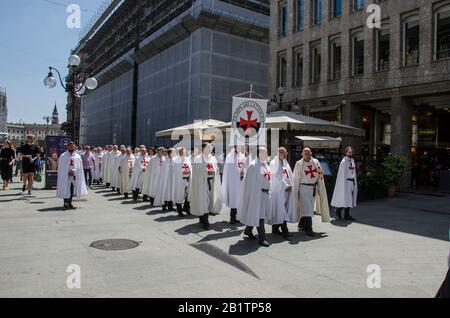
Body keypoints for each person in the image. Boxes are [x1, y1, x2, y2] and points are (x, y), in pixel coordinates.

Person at [238, 147, 271, 247]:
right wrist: (253, 197)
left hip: (265, 194)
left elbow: (266, 178)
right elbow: (249, 184)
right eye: (266, 153)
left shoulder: (264, 164)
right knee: (260, 216)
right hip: (257, 195)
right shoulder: (253, 166)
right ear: (260, 153)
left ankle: (248, 230)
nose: (267, 155)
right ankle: (262, 238)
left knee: (257, 215)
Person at [293, 148, 330, 237]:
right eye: (305, 154)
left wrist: (319, 186)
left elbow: (320, 174)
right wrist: (296, 190)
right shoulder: (299, 164)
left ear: (311, 153)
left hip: (313, 188)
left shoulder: (316, 162)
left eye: (308, 153)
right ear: (302, 154)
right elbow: (296, 178)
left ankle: (302, 224)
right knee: (307, 209)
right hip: (304, 188)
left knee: (308, 208)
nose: (307, 155)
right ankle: (309, 228)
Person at [189, 143, 222, 230]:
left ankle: (202, 217)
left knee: (209, 201)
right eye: (208, 148)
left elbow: (215, 168)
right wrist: (205, 172)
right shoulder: (198, 159)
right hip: (202, 183)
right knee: (203, 200)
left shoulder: (213, 158)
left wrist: (216, 171)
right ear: (203, 148)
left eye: (211, 148)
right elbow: (197, 172)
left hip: (211, 182)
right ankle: (205, 221)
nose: (210, 150)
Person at [268, 147, 295, 240]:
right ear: (278, 153)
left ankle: (275, 229)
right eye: (282, 152)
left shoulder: (285, 163)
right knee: (281, 209)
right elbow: (276, 178)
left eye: (285, 152)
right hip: (278, 191)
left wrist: (291, 185)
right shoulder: (273, 163)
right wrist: (285, 186)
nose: (284, 154)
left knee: (281, 209)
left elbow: (289, 175)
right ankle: (285, 231)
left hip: (286, 191)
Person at [56, 142, 87, 210]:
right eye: (71, 146)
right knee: (66, 188)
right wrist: (67, 172)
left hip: (74, 175)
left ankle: (70, 202)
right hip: (66, 176)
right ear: (68, 147)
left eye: (73, 146)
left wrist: (74, 171)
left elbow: (79, 167)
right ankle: (65, 203)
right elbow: (61, 167)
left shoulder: (77, 156)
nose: (72, 147)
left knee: (72, 189)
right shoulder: (63, 156)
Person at [331, 146, 358, 221]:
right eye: (349, 152)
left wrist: (354, 182)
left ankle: (346, 215)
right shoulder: (344, 162)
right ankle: (338, 210)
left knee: (349, 199)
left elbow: (353, 172)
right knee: (346, 198)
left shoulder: (352, 160)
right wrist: (343, 185)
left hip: (351, 182)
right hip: (345, 183)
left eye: (351, 152)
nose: (350, 153)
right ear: (346, 152)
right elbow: (342, 175)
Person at [221, 146, 246, 224]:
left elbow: (245, 166)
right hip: (233, 182)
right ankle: (232, 217)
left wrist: (243, 172)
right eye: (237, 147)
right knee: (234, 198)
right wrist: (236, 174)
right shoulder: (230, 156)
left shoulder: (242, 156)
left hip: (241, 180)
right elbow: (229, 170)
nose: (239, 148)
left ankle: (238, 216)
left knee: (240, 199)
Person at [171, 147, 192, 217]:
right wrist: (182, 172)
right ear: (178, 152)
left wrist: (189, 172)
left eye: (184, 151)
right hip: (179, 181)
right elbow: (174, 171)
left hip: (187, 180)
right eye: (181, 151)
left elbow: (190, 168)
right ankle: (179, 210)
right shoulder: (175, 160)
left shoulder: (187, 159)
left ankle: (186, 207)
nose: (183, 153)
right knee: (179, 195)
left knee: (188, 194)